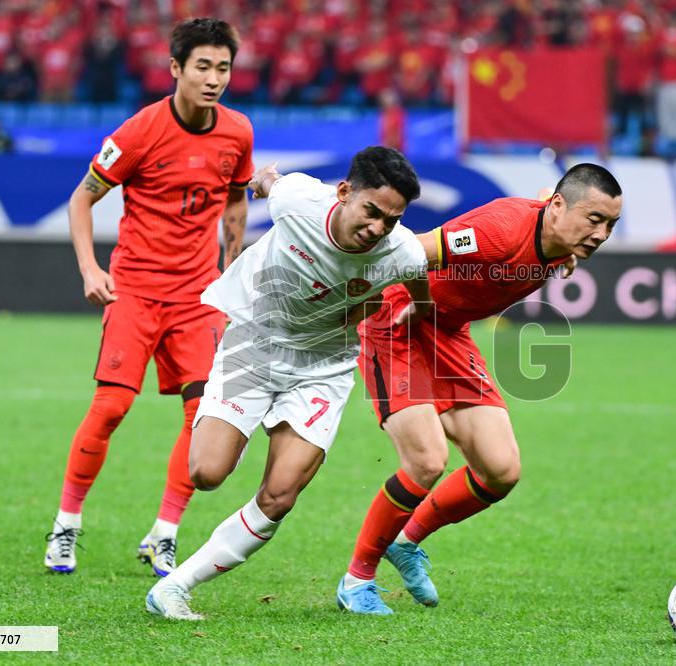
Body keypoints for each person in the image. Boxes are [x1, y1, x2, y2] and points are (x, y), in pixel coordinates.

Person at [145, 147, 432, 621]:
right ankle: (233, 431)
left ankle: (175, 587)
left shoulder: (400, 249)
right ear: (343, 193)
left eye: (392, 219)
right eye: (372, 212)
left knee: (279, 495)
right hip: (254, 346)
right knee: (207, 473)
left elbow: (418, 276)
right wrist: (260, 181)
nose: (378, 228)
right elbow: (263, 183)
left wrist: (415, 309)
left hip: (323, 367)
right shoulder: (297, 200)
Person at [336, 163, 622, 614]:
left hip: (447, 330)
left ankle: (406, 543)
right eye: (595, 220)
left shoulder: (557, 229)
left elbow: (550, 194)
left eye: (610, 224)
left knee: (500, 468)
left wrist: (569, 240)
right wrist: (419, 303)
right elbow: (413, 250)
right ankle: (357, 579)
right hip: (396, 315)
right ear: (560, 208)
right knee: (427, 460)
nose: (602, 235)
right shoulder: (500, 232)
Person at [43, 18, 254, 578]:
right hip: (135, 288)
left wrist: (229, 276)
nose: (213, 79)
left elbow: (235, 204)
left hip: (197, 296)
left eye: (223, 68)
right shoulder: (140, 131)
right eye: (202, 67)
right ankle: (66, 526)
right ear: (176, 69)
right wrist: (90, 269)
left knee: (202, 415)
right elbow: (81, 200)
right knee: (111, 407)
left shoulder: (238, 133)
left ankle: (164, 533)